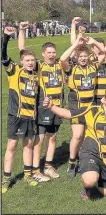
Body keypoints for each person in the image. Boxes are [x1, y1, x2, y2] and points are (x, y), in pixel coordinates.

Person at [18, 22, 65, 181]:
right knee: (40, 139)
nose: (51, 54)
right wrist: (22, 30)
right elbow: (23, 50)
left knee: (52, 138)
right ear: (43, 54)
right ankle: (36, 170)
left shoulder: (60, 64)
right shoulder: (39, 66)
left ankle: (48, 166)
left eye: (53, 52)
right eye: (48, 52)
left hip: (57, 107)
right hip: (43, 108)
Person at [60, 35, 106, 176]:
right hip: (77, 105)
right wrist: (75, 45)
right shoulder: (71, 68)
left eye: (85, 56)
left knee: (89, 135)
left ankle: (85, 158)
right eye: (80, 56)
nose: (83, 58)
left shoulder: (93, 66)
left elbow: (104, 53)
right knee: (78, 135)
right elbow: (62, 59)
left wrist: (95, 42)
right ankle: (72, 161)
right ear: (76, 57)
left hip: (91, 106)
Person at [2, 26, 39, 193]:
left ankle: (28, 175)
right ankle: (6, 179)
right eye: (27, 60)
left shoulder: (35, 74)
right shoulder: (14, 71)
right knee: (11, 146)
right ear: (22, 61)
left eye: (33, 60)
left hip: (30, 116)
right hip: (16, 116)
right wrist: (6, 37)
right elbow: (3, 55)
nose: (31, 63)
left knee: (28, 146)